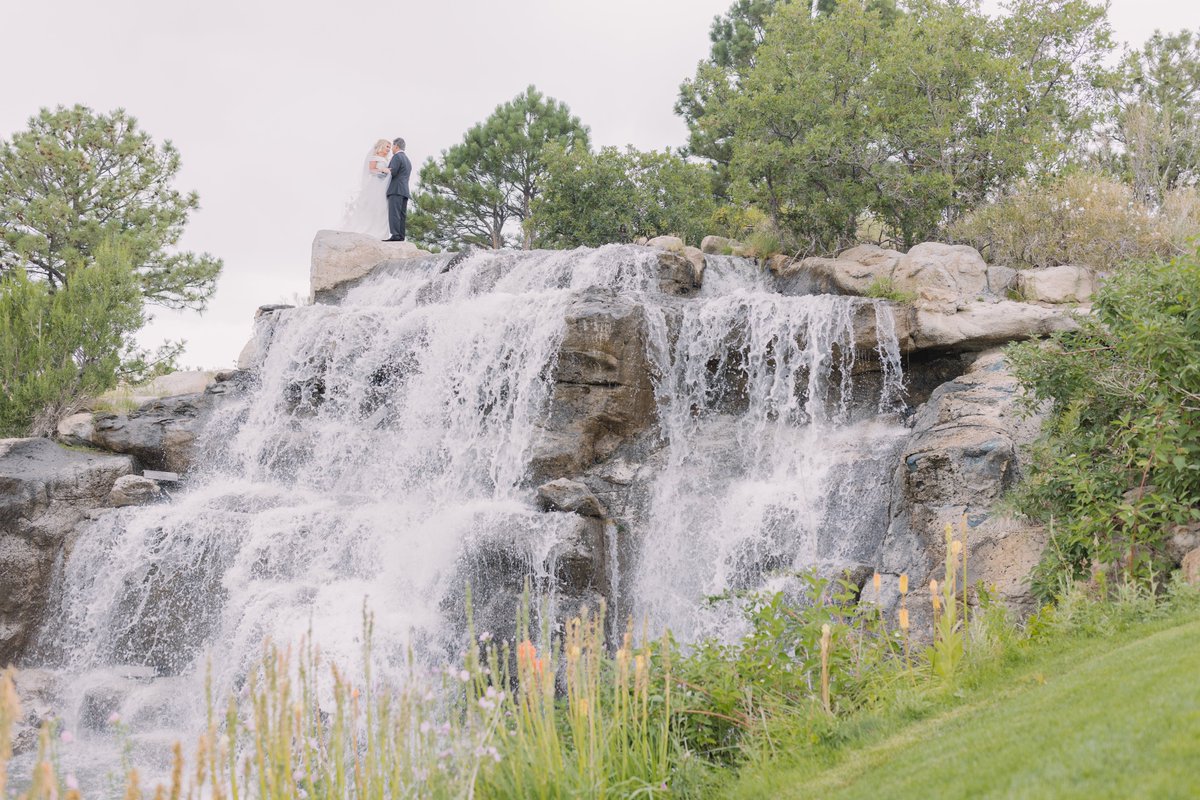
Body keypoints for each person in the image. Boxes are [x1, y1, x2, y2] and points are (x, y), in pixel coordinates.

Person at [340, 139, 392, 239]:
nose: (389, 149)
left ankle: (381, 232)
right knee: (372, 205)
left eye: (389, 147)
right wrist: (382, 170)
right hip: (375, 184)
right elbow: (371, 170)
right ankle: (369, 229)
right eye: (387, 147)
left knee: (382, 207)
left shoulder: (386, 160)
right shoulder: (374, 157)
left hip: (383, 186)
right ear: (381, 146)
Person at [384, 137, 412, 242]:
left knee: (394, 213)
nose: (391, 149)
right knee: (402, 215)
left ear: (396, 146)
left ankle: (395, 235)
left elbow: (393, 172)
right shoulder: (408, 160)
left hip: (396, 189)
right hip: (404, 191)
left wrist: (383, 170)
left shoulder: (396, 157)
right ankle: (401, 236)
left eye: (392, 146)